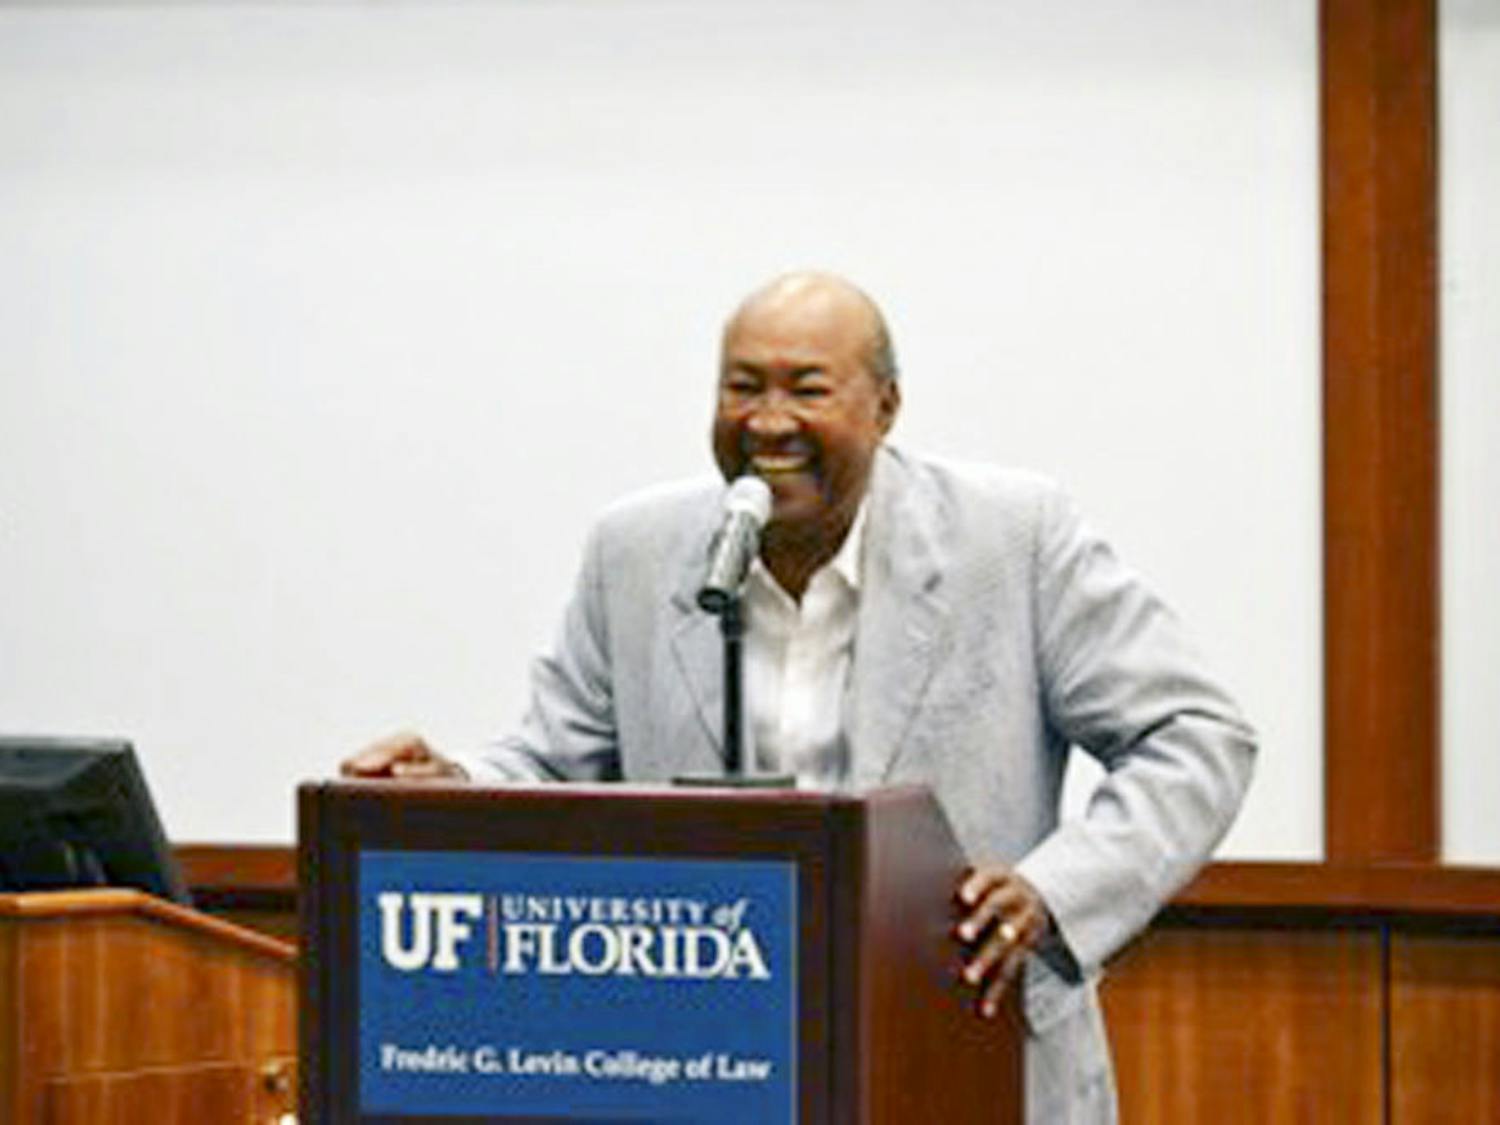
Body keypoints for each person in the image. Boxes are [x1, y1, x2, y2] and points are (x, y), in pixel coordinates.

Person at [343, 271, 1256, 1123]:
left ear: (886, 406)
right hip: (707, 1063)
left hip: (963, 1051)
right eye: (742, 387)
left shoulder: (1010, 538)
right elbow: (554, 760)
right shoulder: (637, 549)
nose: (768, 422)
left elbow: (1196, 733)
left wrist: (1051, 893)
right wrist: (450, 783)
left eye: (807, 389)